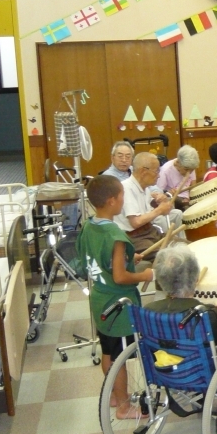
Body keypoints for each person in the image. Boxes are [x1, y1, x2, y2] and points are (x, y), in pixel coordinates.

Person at [77, 175, 154, 419]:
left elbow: (94, 259)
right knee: (120, 357)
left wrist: (131, 259)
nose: (124, 199)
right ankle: (123, 406)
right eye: (121, 195)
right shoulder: (114, 236)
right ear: (112, 201)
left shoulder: (90, 226)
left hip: (99, 300)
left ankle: (113, 395)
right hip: (118, 306)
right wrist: (146, 275)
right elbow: (120, 277)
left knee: (108, 352)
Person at [146, 243, 217, 341]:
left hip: (161, 354)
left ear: (160, 280)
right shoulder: (208, 315)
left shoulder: (148, 311)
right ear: (196, 278)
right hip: (198, 355)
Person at [113, 152, 181, 253]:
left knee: (182, 246)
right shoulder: (126, 188)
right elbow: (136, 222)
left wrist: (160, 201)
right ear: (143, 171)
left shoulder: (145, 188)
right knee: (170, 255)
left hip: (149, 232)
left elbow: (147, 208)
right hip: (134, 238)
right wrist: (159, 210)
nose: (158, 176)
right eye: (156, 171)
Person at [154, 145, 199, 210]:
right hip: (174, 200)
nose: (189, 173)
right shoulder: (165, 170)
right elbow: (158, 194)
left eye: (192, 170)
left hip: (188, 199)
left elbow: (193, 187)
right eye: (186, 170)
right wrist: (169, 193)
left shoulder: (190, 166)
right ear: (178, 163)